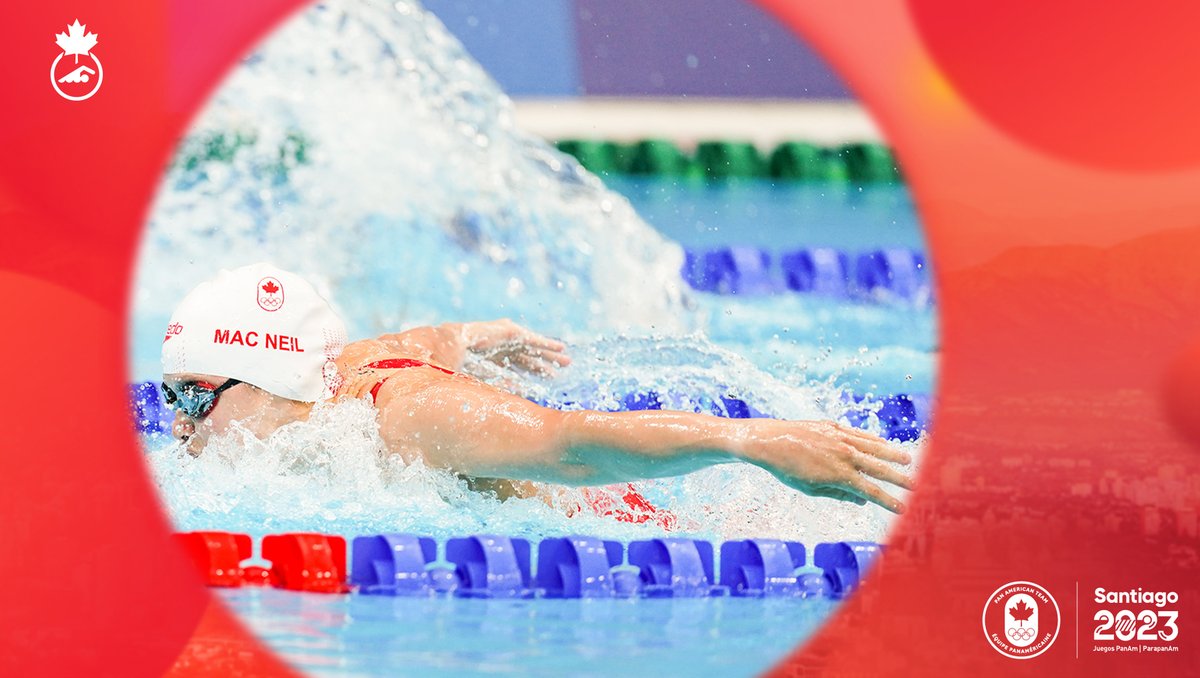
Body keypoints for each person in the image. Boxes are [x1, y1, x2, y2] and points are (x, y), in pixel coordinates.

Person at [161, 263, 913, 514]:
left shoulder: (407, 420)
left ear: (271, 378)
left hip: (638, 531)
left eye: (195, 398)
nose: (179, 426)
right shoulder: (339, 369)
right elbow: (438, 338)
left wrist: (753, 440)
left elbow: (571, 444)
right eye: (170, 400)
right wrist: (493, 332)